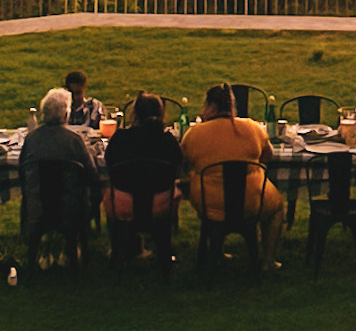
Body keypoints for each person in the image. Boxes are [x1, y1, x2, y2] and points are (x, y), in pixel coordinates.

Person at [181, 84, 285, 226]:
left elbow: (185, 163)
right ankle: (268, 249)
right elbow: (268, 157)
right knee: (277, 208)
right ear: (232, 105)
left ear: (209, 106)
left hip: (209, 203)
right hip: (251, 201)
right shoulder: (253, 128)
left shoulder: (194, 134)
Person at [103, 92, 183, 260]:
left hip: (124, 204)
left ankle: (118, 245)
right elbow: (178, 168)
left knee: (107, 191)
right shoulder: (167, 141)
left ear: (135, 114)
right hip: (160, 203)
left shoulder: (120, 139)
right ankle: (162, 245)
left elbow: (108, 165)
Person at [18, 87, 99, 245]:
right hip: (70, 207)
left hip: (37, 206)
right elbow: (92, 175)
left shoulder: (31, 139)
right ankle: (77, 245)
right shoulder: (74, 140)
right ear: (66, 114)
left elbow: (22, 171)